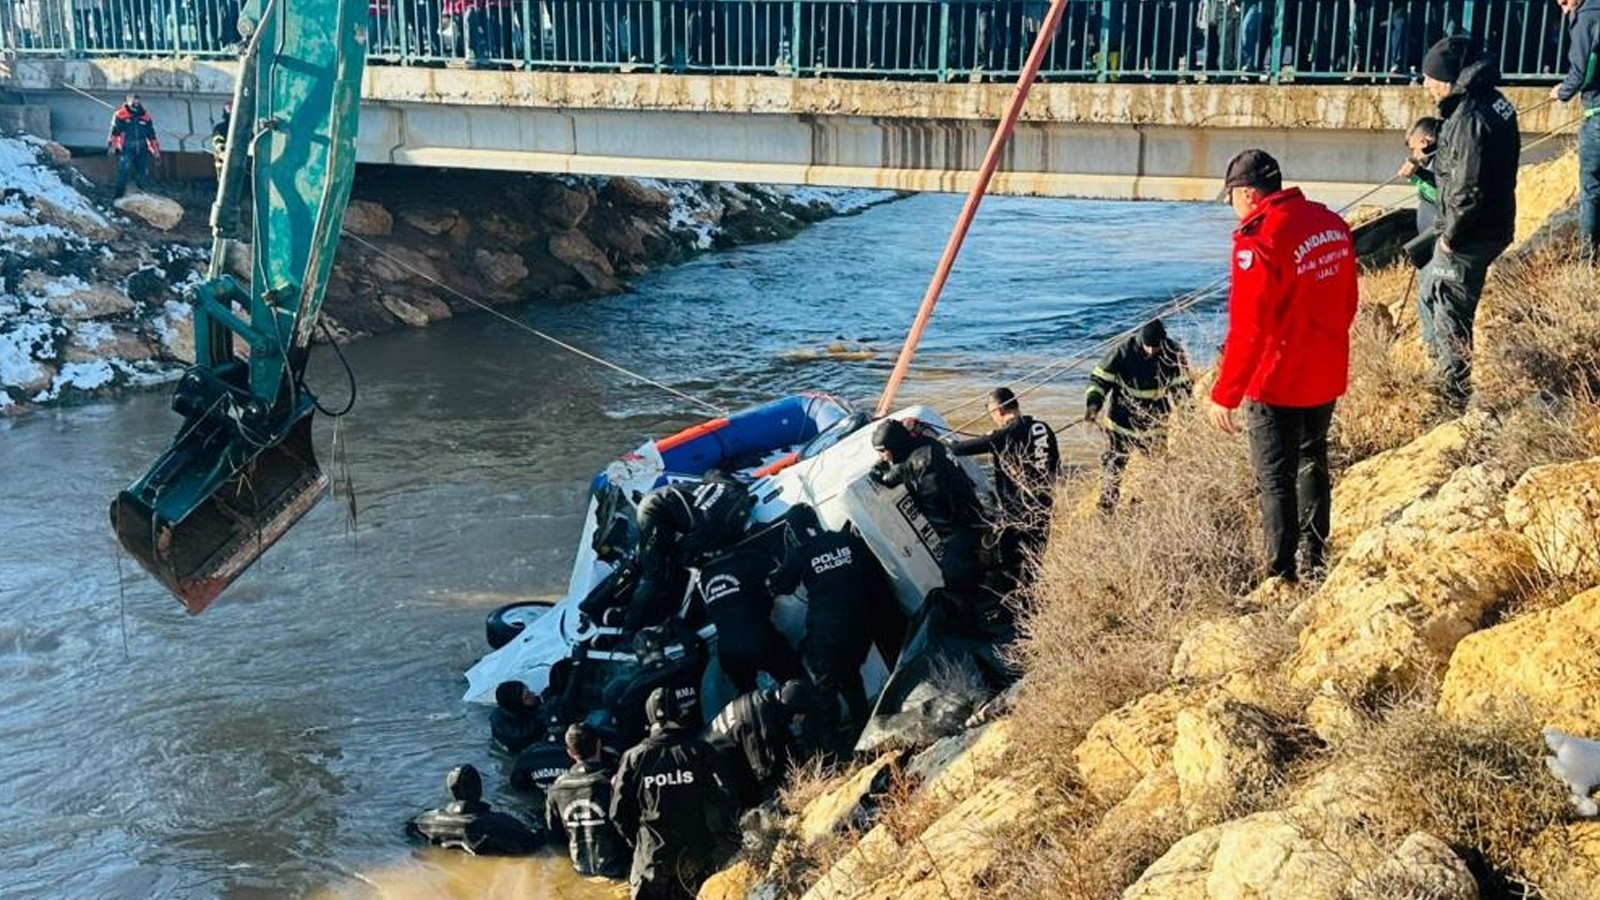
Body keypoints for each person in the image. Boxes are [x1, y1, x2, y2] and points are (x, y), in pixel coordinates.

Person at [1208, 149, 1359, 585]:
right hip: (1324, 368)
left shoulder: (1258, 239)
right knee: (1313, 461)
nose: (1232, 208)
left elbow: (1249, 327)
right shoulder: (1329, 222)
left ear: (1249, 195)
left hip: (1275, 379)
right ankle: (1316, 560)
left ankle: (1281, 573)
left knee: (1275, 479)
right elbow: (1348, 299)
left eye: (1232, 198)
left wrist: (1225, 394)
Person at [1418, 36, 1520, 410]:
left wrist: (1450, 239)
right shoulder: (1493, 101)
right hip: (1490, 225)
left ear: (1447, 77)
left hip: (1469, 236)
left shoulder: (1469, 117)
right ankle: (1442, 379)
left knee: (1449, 312)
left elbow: (1468, 188)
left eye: (1429, 77)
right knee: (1428, 289)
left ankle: (1451, 399)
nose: (1426, 85)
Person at [768, 505, 904, 743]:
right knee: (850, 675)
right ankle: (866, 730)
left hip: (827, 633)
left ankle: (831, 750)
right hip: (862, 627)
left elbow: (782, 586)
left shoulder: (801, 553)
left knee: (825, 692)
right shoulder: (846, 540)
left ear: (794, 530)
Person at [612, 686, 736, 900]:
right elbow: (725, 795)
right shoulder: (699, 750)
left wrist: (639, 843)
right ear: (680, 714)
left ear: (650, 718)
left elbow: (618, 812)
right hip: (694, 854)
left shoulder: (633, 757)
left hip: (651, 860)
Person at [869, 419, 988, 618]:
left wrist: (882, 476)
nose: (882, 457)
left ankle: (974, 621)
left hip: (957, 527)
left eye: (883, 451)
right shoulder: (928, 444)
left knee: (956, 578)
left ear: (895, 446)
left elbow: (896, 477)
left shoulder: (918, 463)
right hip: (972, 513)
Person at [948, 387, 1060, 587]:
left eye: (992, 415)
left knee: (1011, 564)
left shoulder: (1005, 435)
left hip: (1018, 512)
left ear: (998, 411)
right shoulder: (1043, 427)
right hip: (1044, 505)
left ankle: (1017, 608)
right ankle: (1034, 603)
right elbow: (1055, 465)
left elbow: (960, 449)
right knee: (1034, 562)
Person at [1084, 320, 1192, 514]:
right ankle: (1107, 508)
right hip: (1121, 422)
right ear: (1141, 341)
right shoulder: (1122, 352)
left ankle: (1144, 505)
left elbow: (1182, 387)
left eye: (1156, 346)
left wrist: (1187, 416)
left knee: (1157, 467)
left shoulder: (1173, 353)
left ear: (1163, 341)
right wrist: (1093, 405)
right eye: (1148, 346)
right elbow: (1100, 380)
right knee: (1114, 467)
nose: (1152, 351)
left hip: (1155, 423)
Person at [628, 471, 753, 633]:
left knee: (671, 560)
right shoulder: (711, 526)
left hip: (665, 497)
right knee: (654, 576)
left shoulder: (737, 488)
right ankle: (629, 629)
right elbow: (687, 552)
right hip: (654, 511)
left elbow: (711, 473)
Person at [695, 544, 804, 695]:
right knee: (797, 683)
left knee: (749, 703)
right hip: (760, 639)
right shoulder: (750, 559)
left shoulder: (704, 575)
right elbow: (781, 574)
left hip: (729, 652)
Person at [706, 680, 813, 806]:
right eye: (799, 715)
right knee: (749, 798)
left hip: (725, 747)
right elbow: (761, 768)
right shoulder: (759, 721)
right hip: (714, 756)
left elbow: (783, 740)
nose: (800, 720)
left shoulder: (766, 701)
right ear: (790, 710)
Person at [545, 723, 628, 878]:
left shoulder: (556, 790)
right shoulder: (613, 783)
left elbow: (555, 840)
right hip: (618, 872)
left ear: (569, 752)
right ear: (598, 744)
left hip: (580, 871)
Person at [1552, 0, 1600, 264]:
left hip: (1597, 114)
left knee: (1592, 189)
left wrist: (1562, 91)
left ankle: (1587, 260)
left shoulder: (1585, 17)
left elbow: (1581, 72)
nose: (1563, 7)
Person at [406, 763, 543, 855]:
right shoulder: (502, 823)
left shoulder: (424, 821)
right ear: (479, 790)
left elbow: (409, 833)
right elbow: (534, 844)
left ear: (451, 792)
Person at [108, 93, 160, 199]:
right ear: (128, 102)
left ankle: (141, 195)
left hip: (142, 148)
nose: (136, 105)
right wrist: (112, 147)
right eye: (133, 103)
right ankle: (118, 197)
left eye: (137, 103)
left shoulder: (145, 116)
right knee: (123, 172)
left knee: (142, 173)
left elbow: (151, 135)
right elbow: (114, 133)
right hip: (127, 147)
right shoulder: (120, 115)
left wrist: (155, 151)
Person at [490, 680, 546, 755]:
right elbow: (531, 733)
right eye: (527, 697)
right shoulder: (517, 733)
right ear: (516, 703)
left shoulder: (509, 708)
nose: (533, 694)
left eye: (529, 690)